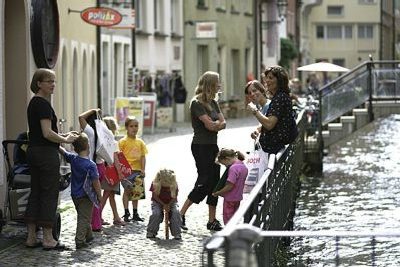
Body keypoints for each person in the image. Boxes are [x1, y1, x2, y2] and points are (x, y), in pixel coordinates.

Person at [25, 68, 78, 250]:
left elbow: (41, 133)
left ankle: (31, 237)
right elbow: (47, 134)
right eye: (49, 81)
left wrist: (63, 134)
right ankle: (48, 238)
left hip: (33, 151)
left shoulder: (34, 103)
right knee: (49, 194)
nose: (53, 84)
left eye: (54, 81)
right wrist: (65, 139)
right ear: (39, 83)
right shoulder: (43, 104)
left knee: (36, 192)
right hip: (45, 155)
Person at [179, 71, 226, 231]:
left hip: (213, 146)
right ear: (211, 84)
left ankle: (212, 220)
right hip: (201, 146)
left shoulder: (213, 102)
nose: (220, 85)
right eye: (217, 82)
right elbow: (210, 125)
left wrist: (216, 124)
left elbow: (223, 122)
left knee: (216, 183)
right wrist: (216, 124)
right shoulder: (196, 103)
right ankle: (180, 214)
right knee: (204, 181)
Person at [59, 133, 102, 249]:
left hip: (74, 195)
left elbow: (64, 152)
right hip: (86, 196)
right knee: (84, 217)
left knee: (84, 215)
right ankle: (80, 240)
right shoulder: (91, 165)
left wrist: (57, 143)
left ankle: (89, 236)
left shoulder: (73, 159)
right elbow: (96, 182)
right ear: (88, 146)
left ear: (74, 148)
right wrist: (99, 195)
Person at [247, 65, 298, 154]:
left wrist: (254, 110)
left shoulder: (280, 97)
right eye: (266, 78)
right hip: (272, 149)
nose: (267, 81)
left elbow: (269, 124)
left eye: (270, 78)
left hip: (274, 150)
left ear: (279, 79)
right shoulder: (279, 96)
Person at [118, 116, 148, 222]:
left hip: (137, 171)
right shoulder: (122, 142)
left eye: (136, 126)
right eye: (131, 126)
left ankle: (135, 213)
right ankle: (126, 212)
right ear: (126, 127)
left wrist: (143, 169)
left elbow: (143, 157)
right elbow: (118, 157)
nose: (134, 128)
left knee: (136, 192)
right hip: (126, 171)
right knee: (127, 190)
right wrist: (120, 171)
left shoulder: (140, 142)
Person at [213, 148, 248, 225]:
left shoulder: (233, 168)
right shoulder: (243, 166)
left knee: (228, 220)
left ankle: (229, 235)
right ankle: (234, 233)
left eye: (224, 164)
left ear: (227, 159)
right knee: (235, 218)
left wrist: (218, 193)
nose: (226, 166)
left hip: (229, 199)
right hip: (238, 198)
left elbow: (230, 186)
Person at [146, 169, 182, 240]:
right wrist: (164, 204)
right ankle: (151, 231)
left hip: (171, 201)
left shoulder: (174, 184)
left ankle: (177, 232)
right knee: (156, 213)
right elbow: (155, 196)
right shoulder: (155, 184)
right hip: (157, 201)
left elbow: (175, 197)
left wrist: (168, 204)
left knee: (175, 213)